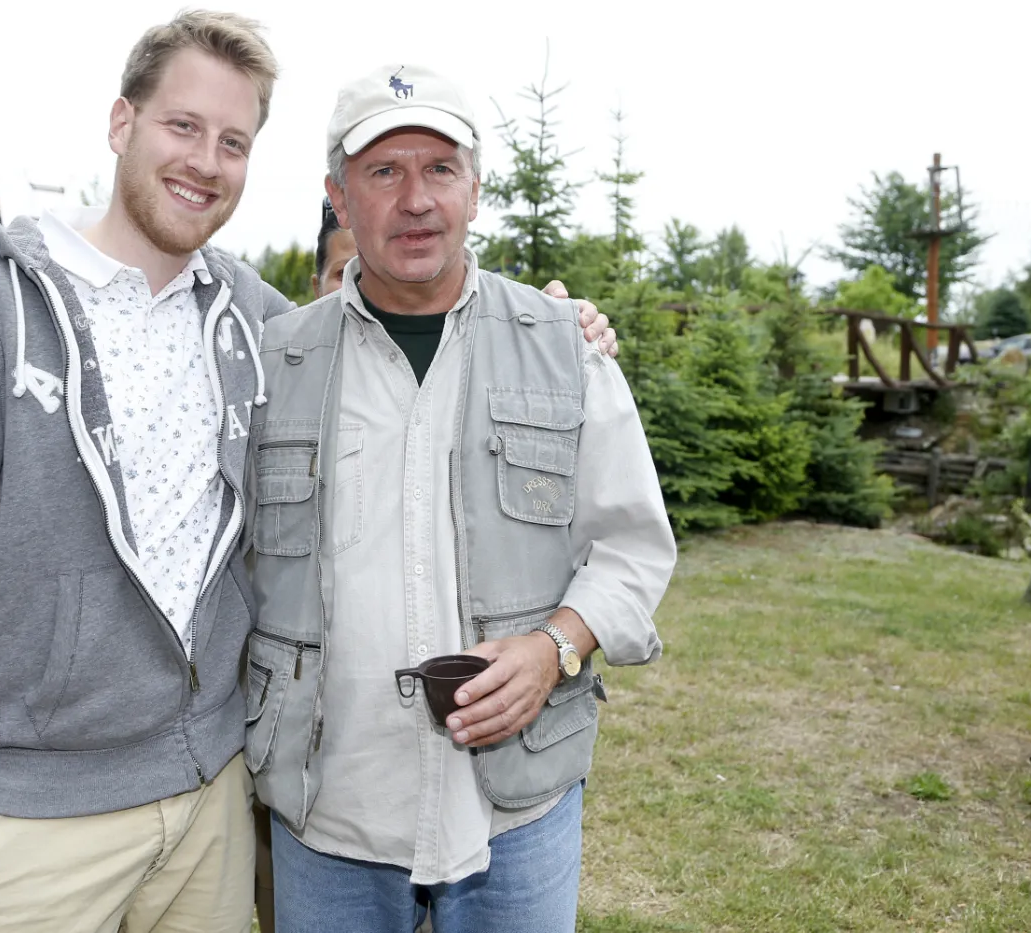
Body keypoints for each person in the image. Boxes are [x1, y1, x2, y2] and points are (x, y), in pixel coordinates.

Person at [0, 10, 615, 930]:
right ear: (121, 122)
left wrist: (557, 327)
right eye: (183, 127)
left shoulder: (252, 320)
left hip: (211, 797)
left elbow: (373, 343)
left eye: (234, 142)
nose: (205, 162)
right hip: (29, 824)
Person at [245, 65, 677, 933]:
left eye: (440, 169)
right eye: (383, 171)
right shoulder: (270, 364)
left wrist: (557, 645)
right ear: (338, 195)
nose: (415, 199)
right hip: (326, 809)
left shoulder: (565, 348)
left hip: (515, 811)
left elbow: (635, 550)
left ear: (475, 191)